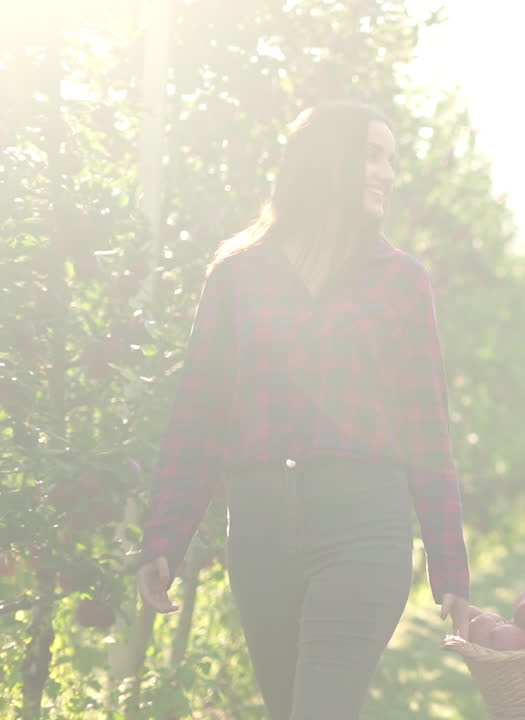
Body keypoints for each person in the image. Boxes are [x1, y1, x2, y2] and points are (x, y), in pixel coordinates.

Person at [134, 102, 470, 720]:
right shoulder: (236, 276)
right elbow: (198, 415)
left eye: (393, 161)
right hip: (260, 535)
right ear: (326, 161)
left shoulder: (401, 281)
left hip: (364, 529)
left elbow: (428, 429)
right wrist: (166, 533)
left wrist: (449, 560)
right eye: (373, 156)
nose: (388, 174)